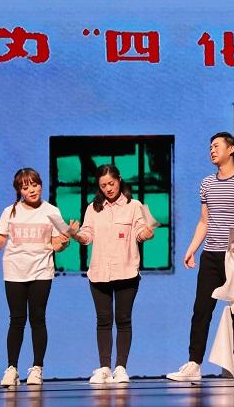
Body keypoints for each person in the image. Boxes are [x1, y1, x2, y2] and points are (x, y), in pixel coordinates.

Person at [167, 132, 234, 382]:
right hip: (211, 255)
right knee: (201, 310)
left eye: (217, 146)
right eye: (210, 147)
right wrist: (192, 248)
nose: (212, 150)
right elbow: (204, 221)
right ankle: (194, 364)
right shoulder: (207, 183)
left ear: (231, 149)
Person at [0, 168, 70, 386]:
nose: (32, 190)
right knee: (16, 319)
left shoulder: (51, 211)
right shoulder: (10, 212)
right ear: (19, 190)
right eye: (25, 187)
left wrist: (64, 243)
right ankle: (12, 368)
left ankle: (37, 369)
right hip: (15, 272)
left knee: (38, 318)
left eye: (35, 184)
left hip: (41, 271)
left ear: (41, 185)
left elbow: (57, 244)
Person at [69, 164, 154, 384]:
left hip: (126, 270)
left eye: (111, 183)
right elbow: (87, 236)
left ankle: (121, 368)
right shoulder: (93, 208)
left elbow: (140, 231)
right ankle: (105, 368)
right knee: (103, 321)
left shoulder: (134, 206)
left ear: (119, 180)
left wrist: (146, 233)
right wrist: (76, 235)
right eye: (103, 185)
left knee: (124, 320)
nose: (108, 188)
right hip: (99, 272)